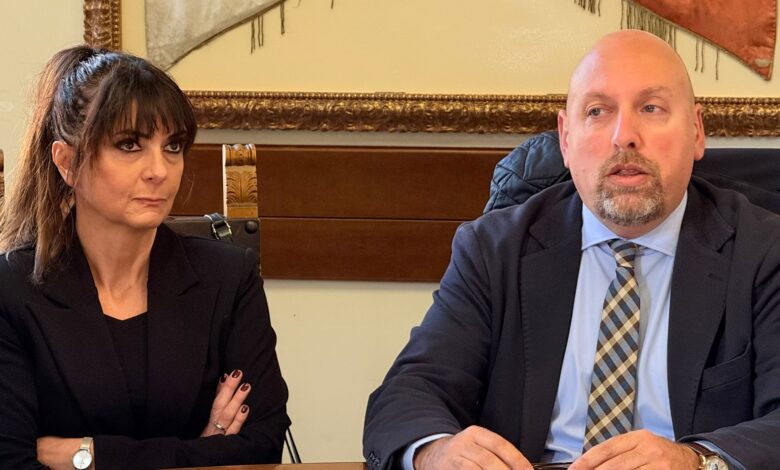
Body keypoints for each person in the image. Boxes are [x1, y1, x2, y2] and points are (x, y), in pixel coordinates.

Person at [363, 30, 780, 470]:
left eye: (651, 108)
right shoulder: (494, 249)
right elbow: (408, 394)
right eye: (598, 111)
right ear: (565, 138)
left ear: (696, 131)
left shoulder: (764, 252)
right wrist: (436, 452)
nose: (624, 136)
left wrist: (697, 460)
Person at [0, 46, 289, 469]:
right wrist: (201, 453)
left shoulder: (229, 277)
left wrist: (87, 455)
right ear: (67, 163)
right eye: (129, 144)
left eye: (172, 146)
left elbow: (262, 446)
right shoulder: (10, 289)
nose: (159, 170)